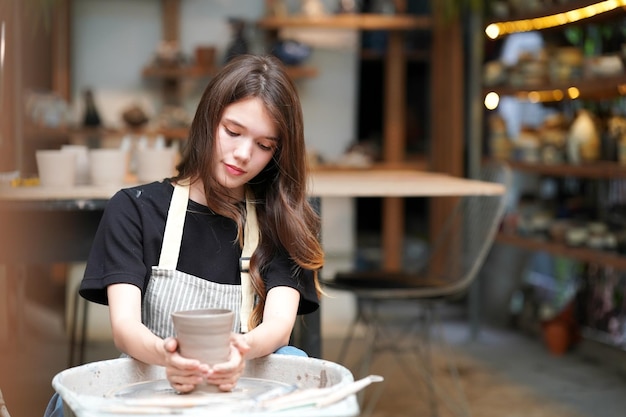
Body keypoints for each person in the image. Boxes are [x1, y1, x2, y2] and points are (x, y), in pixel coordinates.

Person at [44, 54, 324, 416]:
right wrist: (168, 357)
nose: (242, 154)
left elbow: (278, 329)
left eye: (264, 145)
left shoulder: (280, 220)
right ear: (209, 119)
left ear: (277, 153)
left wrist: (239, 352)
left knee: (293, 359)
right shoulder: (136, 209)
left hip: (238, 388)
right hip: (155, 387)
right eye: (233, 132)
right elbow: (125, 327)